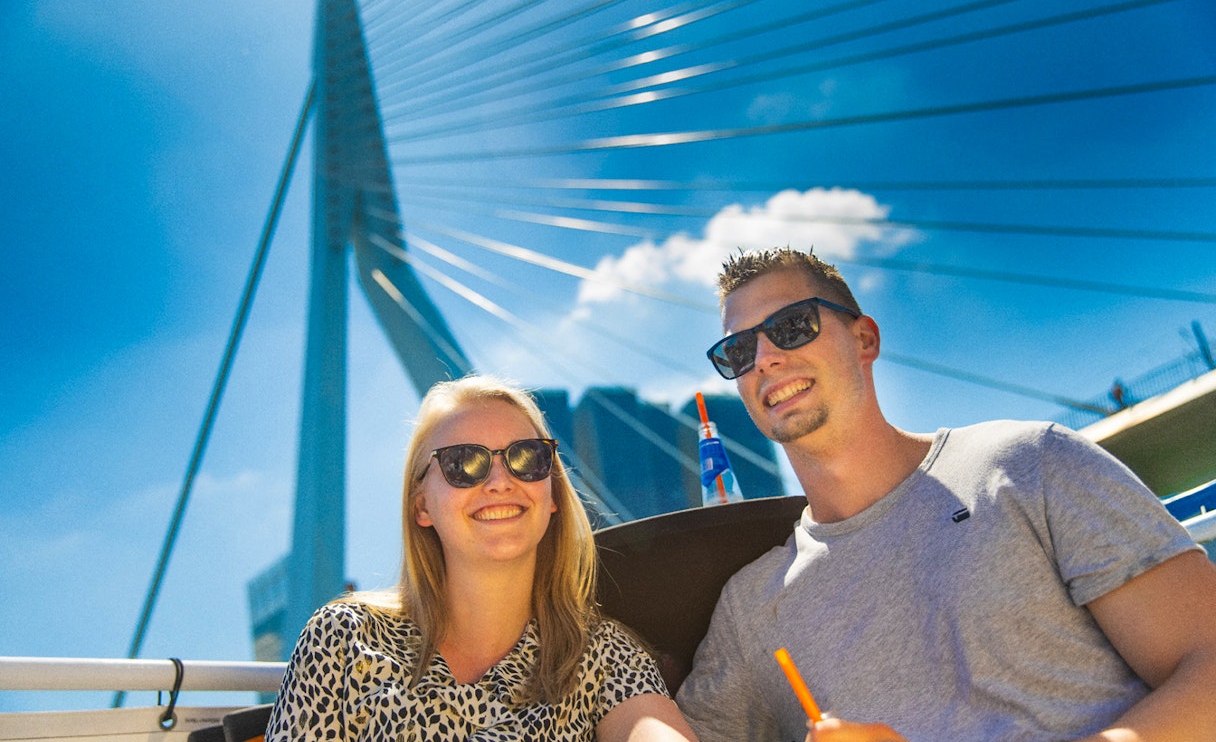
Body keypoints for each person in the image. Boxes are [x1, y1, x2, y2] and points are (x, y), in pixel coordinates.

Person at [676, 247, 1216, 742]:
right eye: (740, 350)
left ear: (865, 338)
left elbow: (1206, 665)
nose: (765, 358)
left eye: (793, 326)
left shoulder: (1031, 464)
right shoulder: (749, 611)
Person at [266, 374, 698, 741]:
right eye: (463, 462)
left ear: (551, 495)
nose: (499, 481)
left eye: (527, 458)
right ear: (421, 506)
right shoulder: (343, 639)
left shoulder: (601, 657)